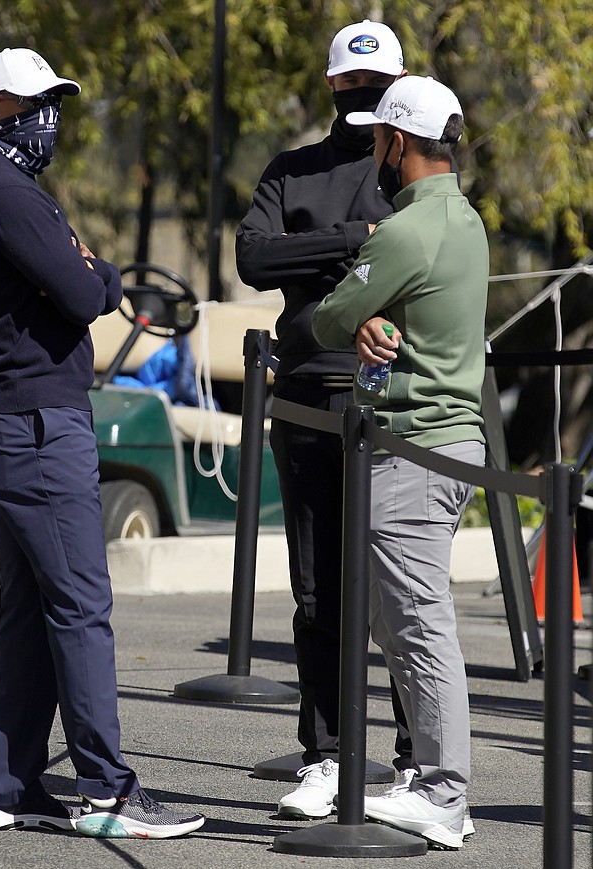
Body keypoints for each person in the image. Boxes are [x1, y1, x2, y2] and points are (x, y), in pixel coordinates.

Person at [0, 47, 205, 840]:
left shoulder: (3, 188)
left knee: (32, 608)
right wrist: (101, 275)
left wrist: (91, 273)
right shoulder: (4, 191)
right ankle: (107, 789)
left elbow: (80, 281)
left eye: (52, 100)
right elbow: (85, 290)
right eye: (29, 102)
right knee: (81, 607)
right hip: (35, 424)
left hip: (22, 417)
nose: (44, 116)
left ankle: (9, 783)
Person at [235, 19, 412, 820]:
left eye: (377, 91)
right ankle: (328, 756)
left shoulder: (412, 171)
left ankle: (415, 761)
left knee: (396, 591)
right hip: (306, 389)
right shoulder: (292, 168)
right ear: (333, 85)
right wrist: (353, 242)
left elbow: (419, 255)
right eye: (352, 87)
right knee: (316, 593)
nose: (363, 100)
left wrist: (323, 253)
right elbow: (252, 258)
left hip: (388, 396)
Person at [312, 75, 488, 850]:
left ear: (400, 144)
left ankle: (445, 796)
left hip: (414, 448)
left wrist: (364, 297)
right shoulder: (465, 221)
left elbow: (329, 317)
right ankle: (428, 784)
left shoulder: (407, 233)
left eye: (378, 138)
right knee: (400, 620)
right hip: (440, 443)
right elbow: (378, 321)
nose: (372, 152)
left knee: (416, 624)